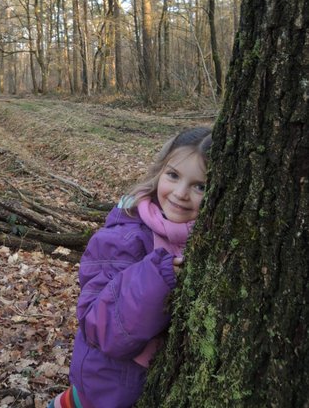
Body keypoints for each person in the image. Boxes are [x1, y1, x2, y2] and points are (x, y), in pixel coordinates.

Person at [47, 126, 212, 408]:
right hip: (107, 386)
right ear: (160, 171)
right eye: (173, 176)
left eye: (200, 186)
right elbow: (99, 325)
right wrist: (156, 278)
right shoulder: (122, 237)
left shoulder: (204, 238)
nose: (181, 193)